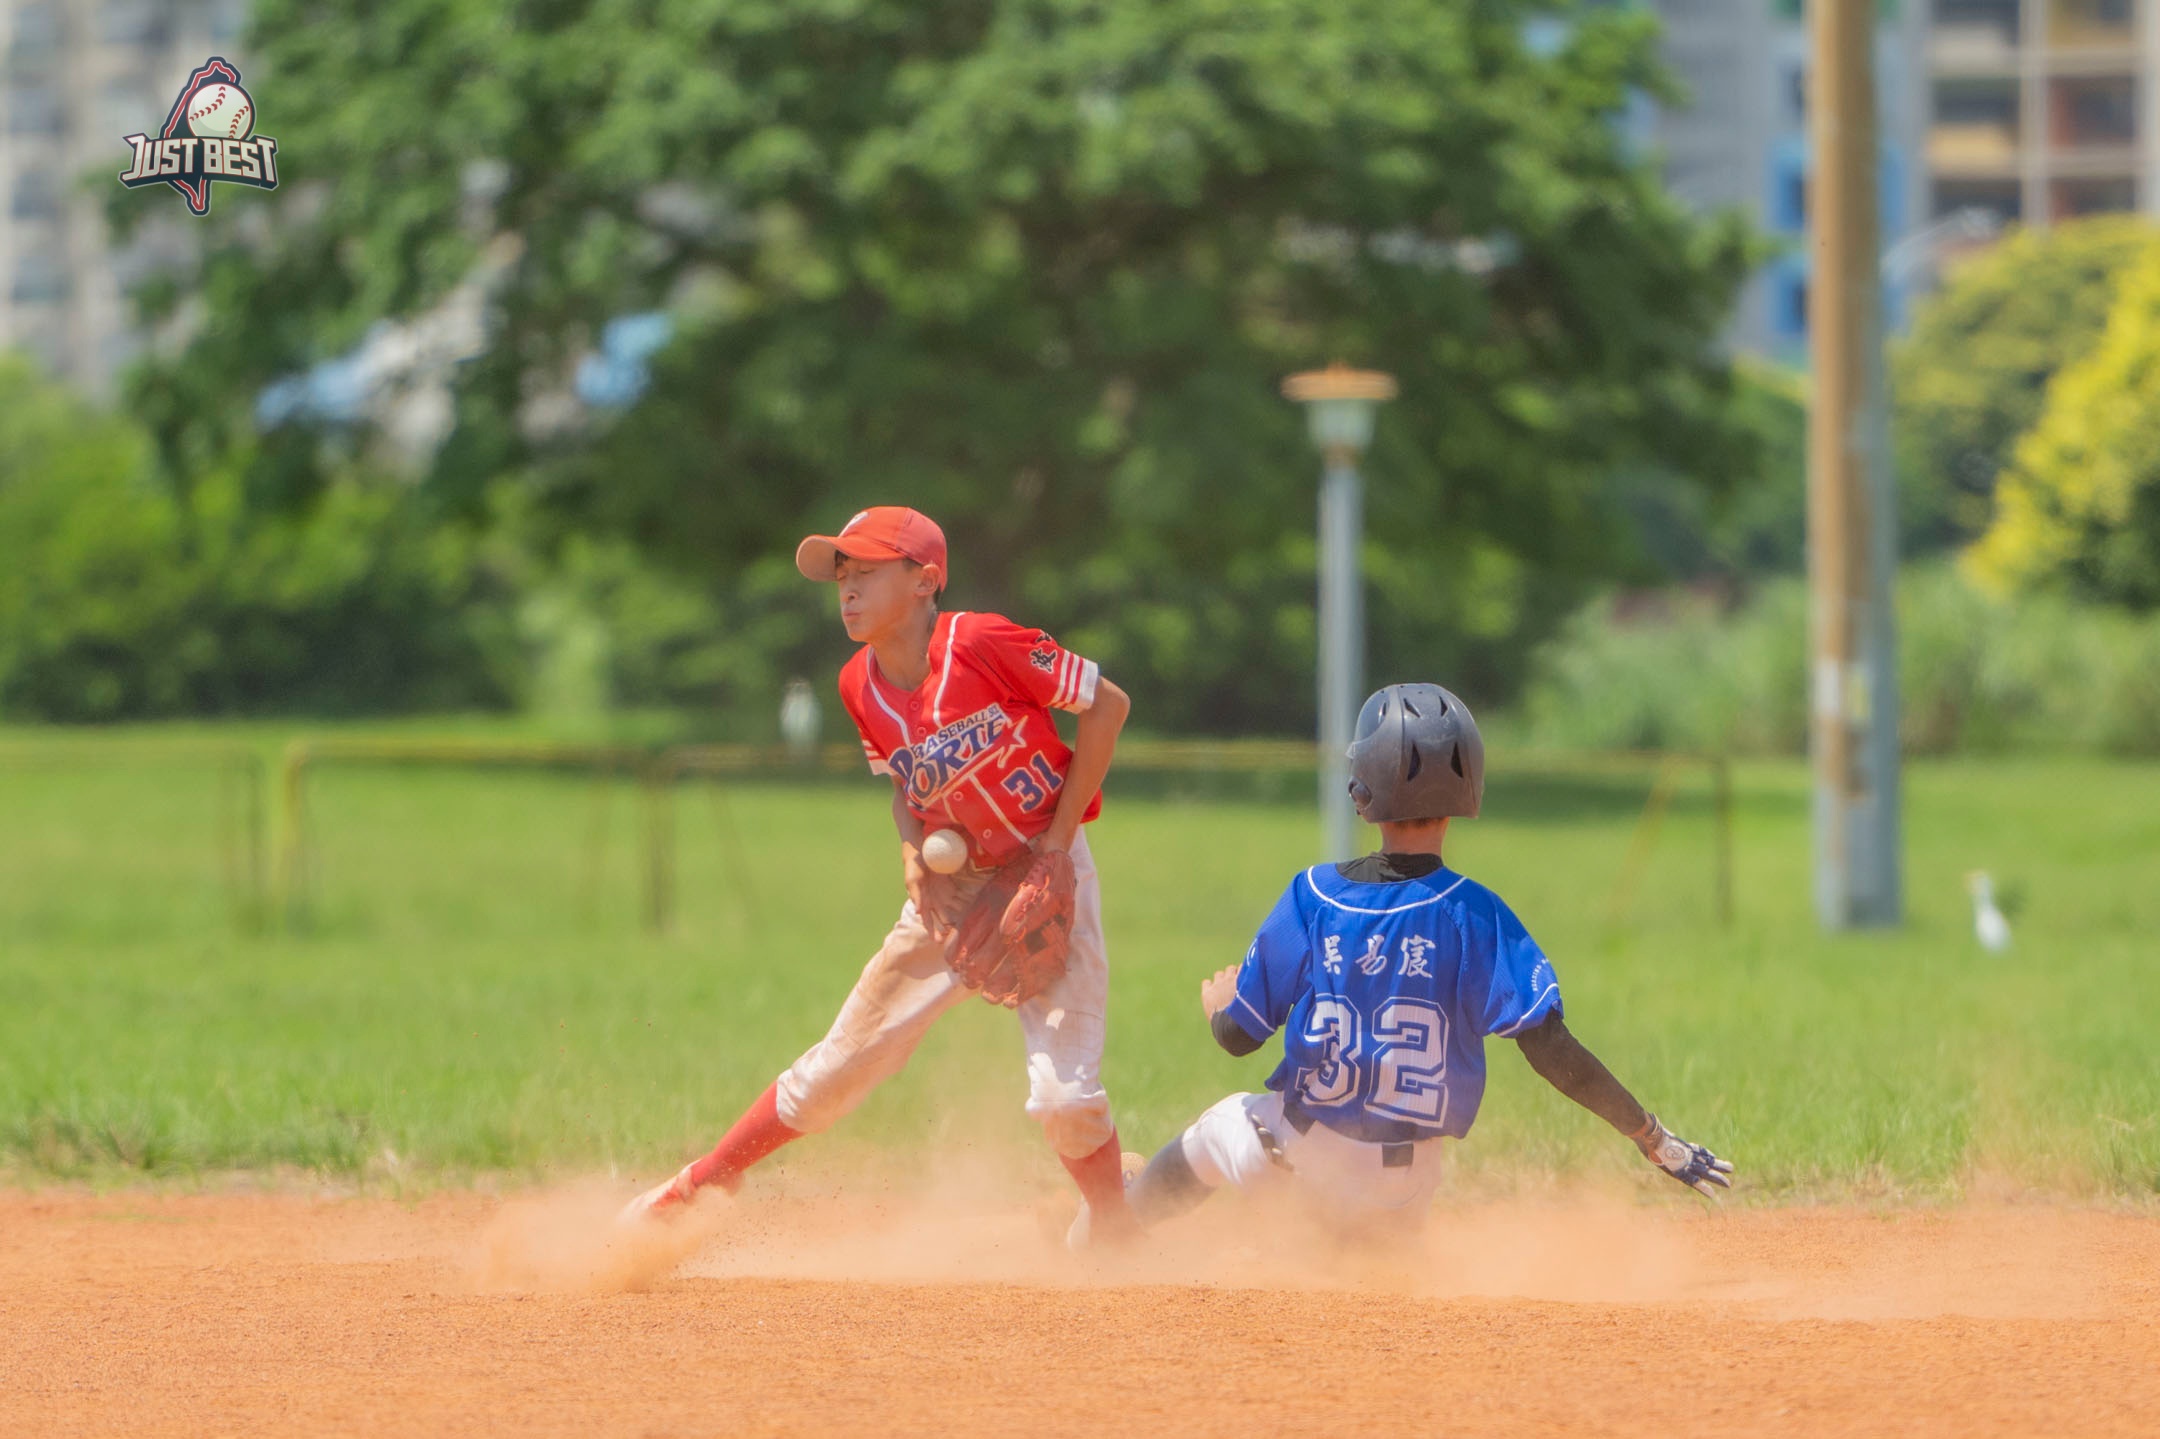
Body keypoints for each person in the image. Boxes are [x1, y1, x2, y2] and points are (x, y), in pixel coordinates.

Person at [622, 506, 1141, 1242]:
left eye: (866, 570)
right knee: (837, 1067)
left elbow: (1108, 706)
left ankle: (1117, 1228)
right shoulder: (856, 684)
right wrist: (910, 853)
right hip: (953, 894)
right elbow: (905, 785)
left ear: (925, 579)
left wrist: (1056, 849)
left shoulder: (983, 641)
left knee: (1063, 1095)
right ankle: (698, 1185)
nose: (847, 588)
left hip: (1048, 875)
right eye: (841, 573)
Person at [1092, 682, 1732, 1243]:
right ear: (1469, 787)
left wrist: (1218, 1011)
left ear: (1360, 788)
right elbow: (1551, 1050)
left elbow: (1239, 1039)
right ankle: (1341, 1246)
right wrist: (1651, 1135)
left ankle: (1111, 1229)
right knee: (1366, 1257)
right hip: (1400, 1198)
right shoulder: (1476, 914)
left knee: (1217, 1129)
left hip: (1294, 1165)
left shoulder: (1312, 896)